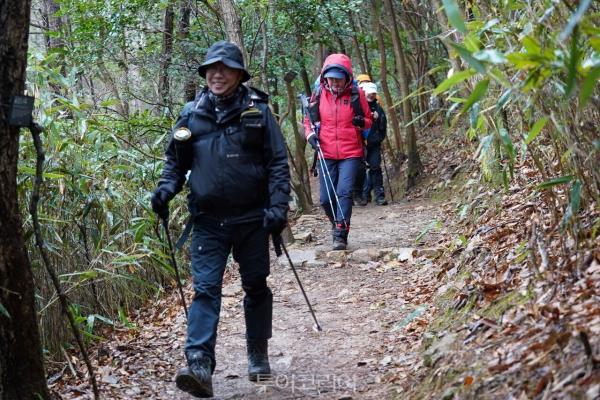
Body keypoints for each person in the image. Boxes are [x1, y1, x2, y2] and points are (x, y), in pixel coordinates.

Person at [150, 40, 290, 398]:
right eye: (211, 68)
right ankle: (199, 363)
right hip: (208, 220)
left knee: (256, 285)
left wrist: (278, 207)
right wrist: (165, 190)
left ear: (239, 75)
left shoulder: (258, 112)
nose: (216, 74)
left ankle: (257, 352)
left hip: (252, 218)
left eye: (224, 68)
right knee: (206, 290)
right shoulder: (191, 114)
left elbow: (277, 161)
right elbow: (175, 163)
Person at [304, 54, 372, 251]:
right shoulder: (318, 94)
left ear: (347, 77)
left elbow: (368, 119)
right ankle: (336, 222)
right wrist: (310, 137)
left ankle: (341, 233)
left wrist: (362, 123)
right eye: (330, 78)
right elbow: (308, 121)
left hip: (351, 152)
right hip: (326, 152)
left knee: (344, 192)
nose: (334, 82)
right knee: (325, 199)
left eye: (338, 78)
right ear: (325, 77)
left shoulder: (355, 95)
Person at [359, 82, 388, 206]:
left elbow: (383, 126)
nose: (371, 95)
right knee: (359, 170)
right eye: (369, 93)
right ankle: (362, 196)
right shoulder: (357, 107)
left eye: (373, 93)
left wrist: (378, 138)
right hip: (358, 144)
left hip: (374, 144)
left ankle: (379, 196)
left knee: (375, 168)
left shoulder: (378, 108)